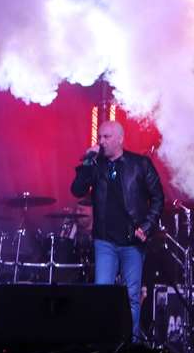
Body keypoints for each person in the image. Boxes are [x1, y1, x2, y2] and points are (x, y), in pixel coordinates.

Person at [70, 119, 163, 341]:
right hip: (105, 241)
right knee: (103, 293)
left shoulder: (140, 164)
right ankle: (105, 344)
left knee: (132, 296)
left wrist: (147, 226)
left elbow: (158, 197)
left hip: (132, 241)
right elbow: (77, 189)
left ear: (120, 139)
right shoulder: (96, 165)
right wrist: (87, 163)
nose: (101, 141)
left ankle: (129, 344)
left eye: (106, 137)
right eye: (99, 137)